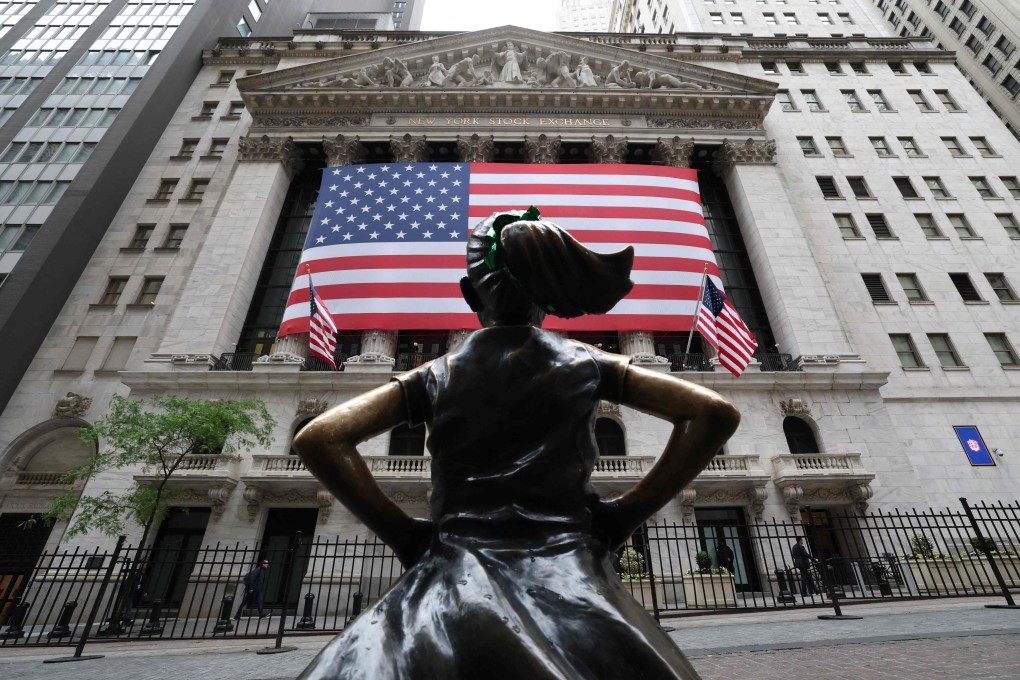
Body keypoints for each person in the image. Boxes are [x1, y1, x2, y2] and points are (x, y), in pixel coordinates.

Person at [294, 208, 741, 679]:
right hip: (570, 571)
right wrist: (625, 514)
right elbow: (713, 412)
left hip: (454, 570)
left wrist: (405, 535)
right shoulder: (586, 363)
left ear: (470, 294)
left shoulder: (436, 375)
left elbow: (321, 436)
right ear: (547, 293)